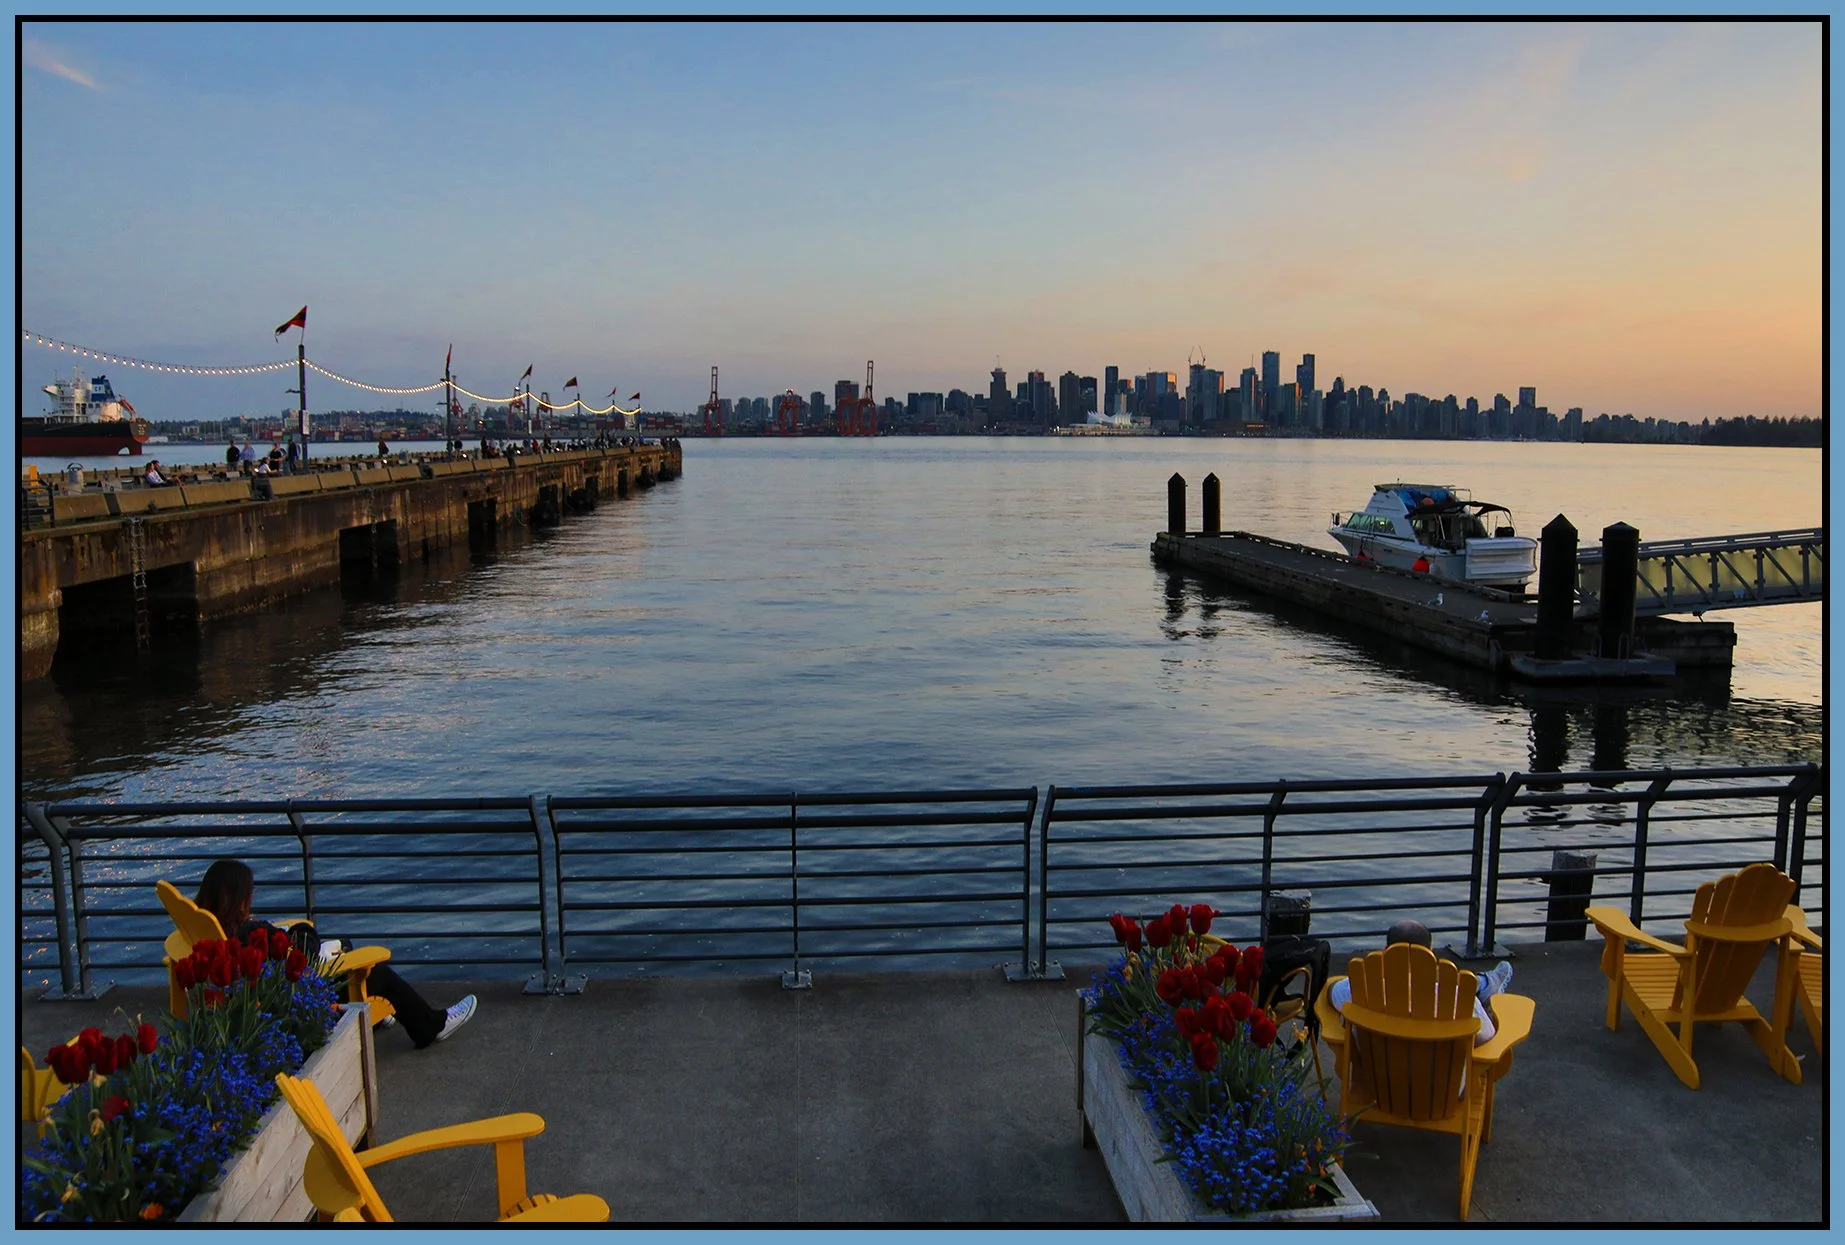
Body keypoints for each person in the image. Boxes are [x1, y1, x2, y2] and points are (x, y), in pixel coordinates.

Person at [192, 859, 476, 1049]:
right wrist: (302, 930)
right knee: (376, 971)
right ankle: (431, 1026)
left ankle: (376, 1016)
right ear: (241, 900)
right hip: (292, 1005)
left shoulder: (202, 932)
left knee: (344, 944)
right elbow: (304, 952)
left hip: (259, 1003)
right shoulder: (251, 934)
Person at [1328, 919, 1511, 1043]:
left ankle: (1482, 985)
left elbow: (1332, 992)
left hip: (1378, 1084)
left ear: (1385, 952)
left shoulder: (1360, 989)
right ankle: (1482, 985)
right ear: (1430, 954)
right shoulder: (1455, 998)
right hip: (1444, 1090)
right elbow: (1486, 1036)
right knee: (1463, 989)